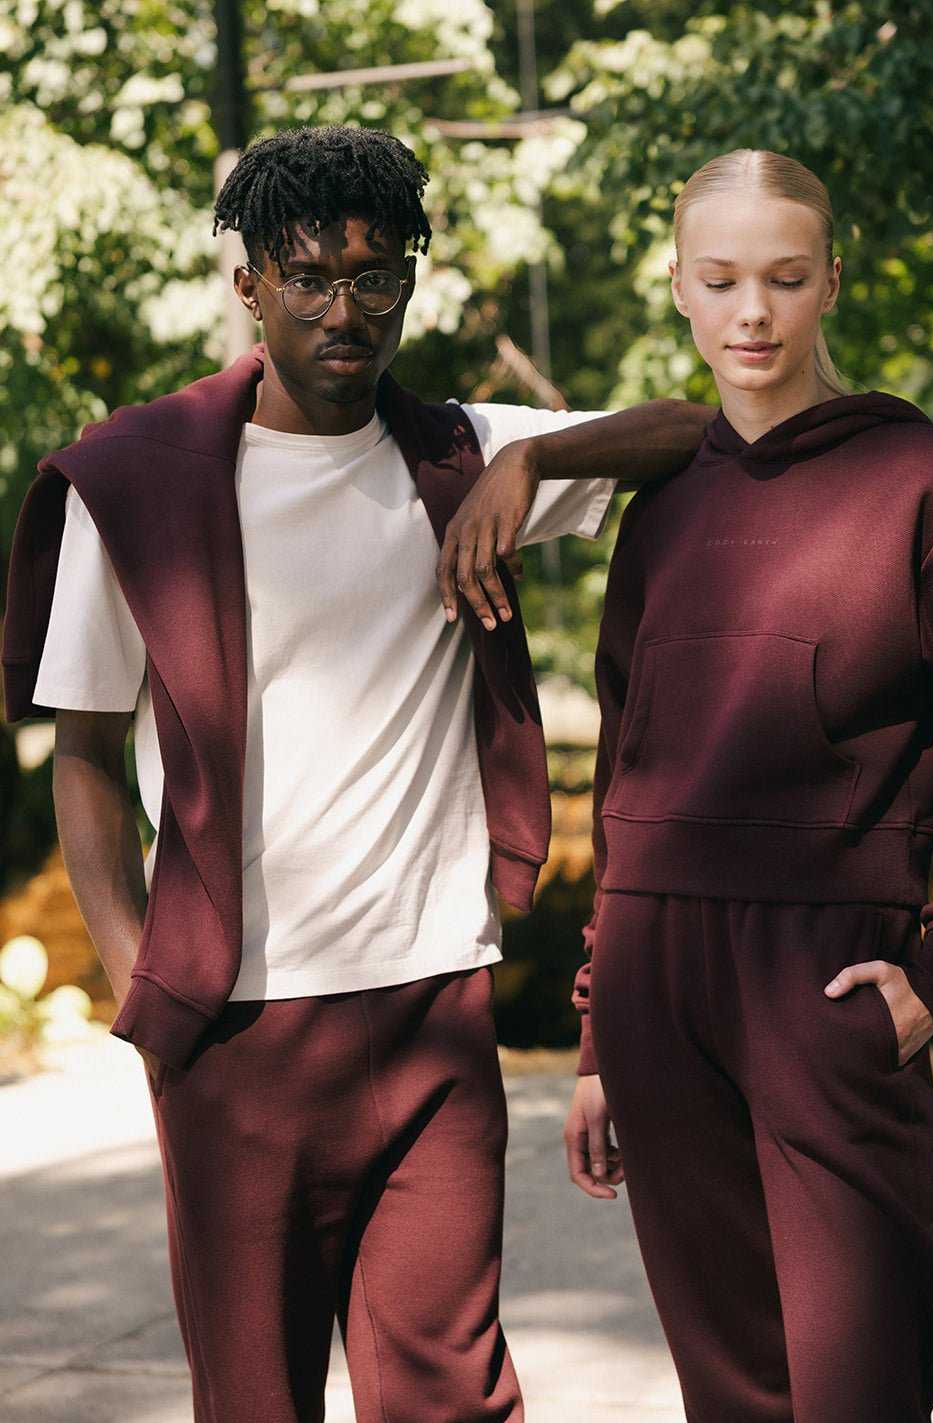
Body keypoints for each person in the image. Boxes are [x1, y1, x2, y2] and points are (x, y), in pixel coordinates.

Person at [1, 124, 713, 1423]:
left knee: (452, 1394)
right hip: (237, 1026)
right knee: (255, 1398)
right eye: (310, 277)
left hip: (432, 1002)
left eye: (376, 276)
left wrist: (533, 459)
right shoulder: (138, 487)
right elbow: (86, 754)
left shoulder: (461, 454)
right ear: (250, 286)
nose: (345, 310)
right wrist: (140, 981)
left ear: (410, 282)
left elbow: (693, 430)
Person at [444, 147, 933, 1422]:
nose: (751, 314)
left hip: (824, 983)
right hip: (655, 995)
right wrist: (597, 1039)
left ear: (830, 280)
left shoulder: (924, 484)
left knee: (861, 1378)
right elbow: (629, 786)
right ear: (676, 286)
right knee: (729, 1393)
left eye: (782, 278)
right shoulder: (663, 506)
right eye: (718, 280)